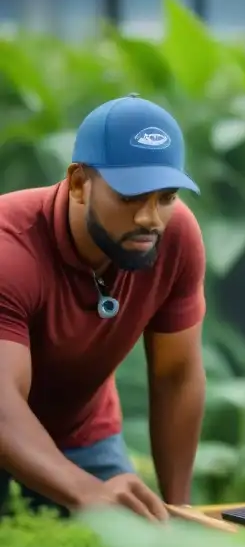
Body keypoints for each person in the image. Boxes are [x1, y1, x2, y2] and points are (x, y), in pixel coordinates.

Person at [0, 94, 207, 521]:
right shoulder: (10, 248)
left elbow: (176, 375)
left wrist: (179, 510)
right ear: (78, 183)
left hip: (84, 435)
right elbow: (3, 409)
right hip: (9, 421)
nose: (151, 217)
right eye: (131, 195)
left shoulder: (177, 236)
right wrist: (84, 491)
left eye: (166, 195)